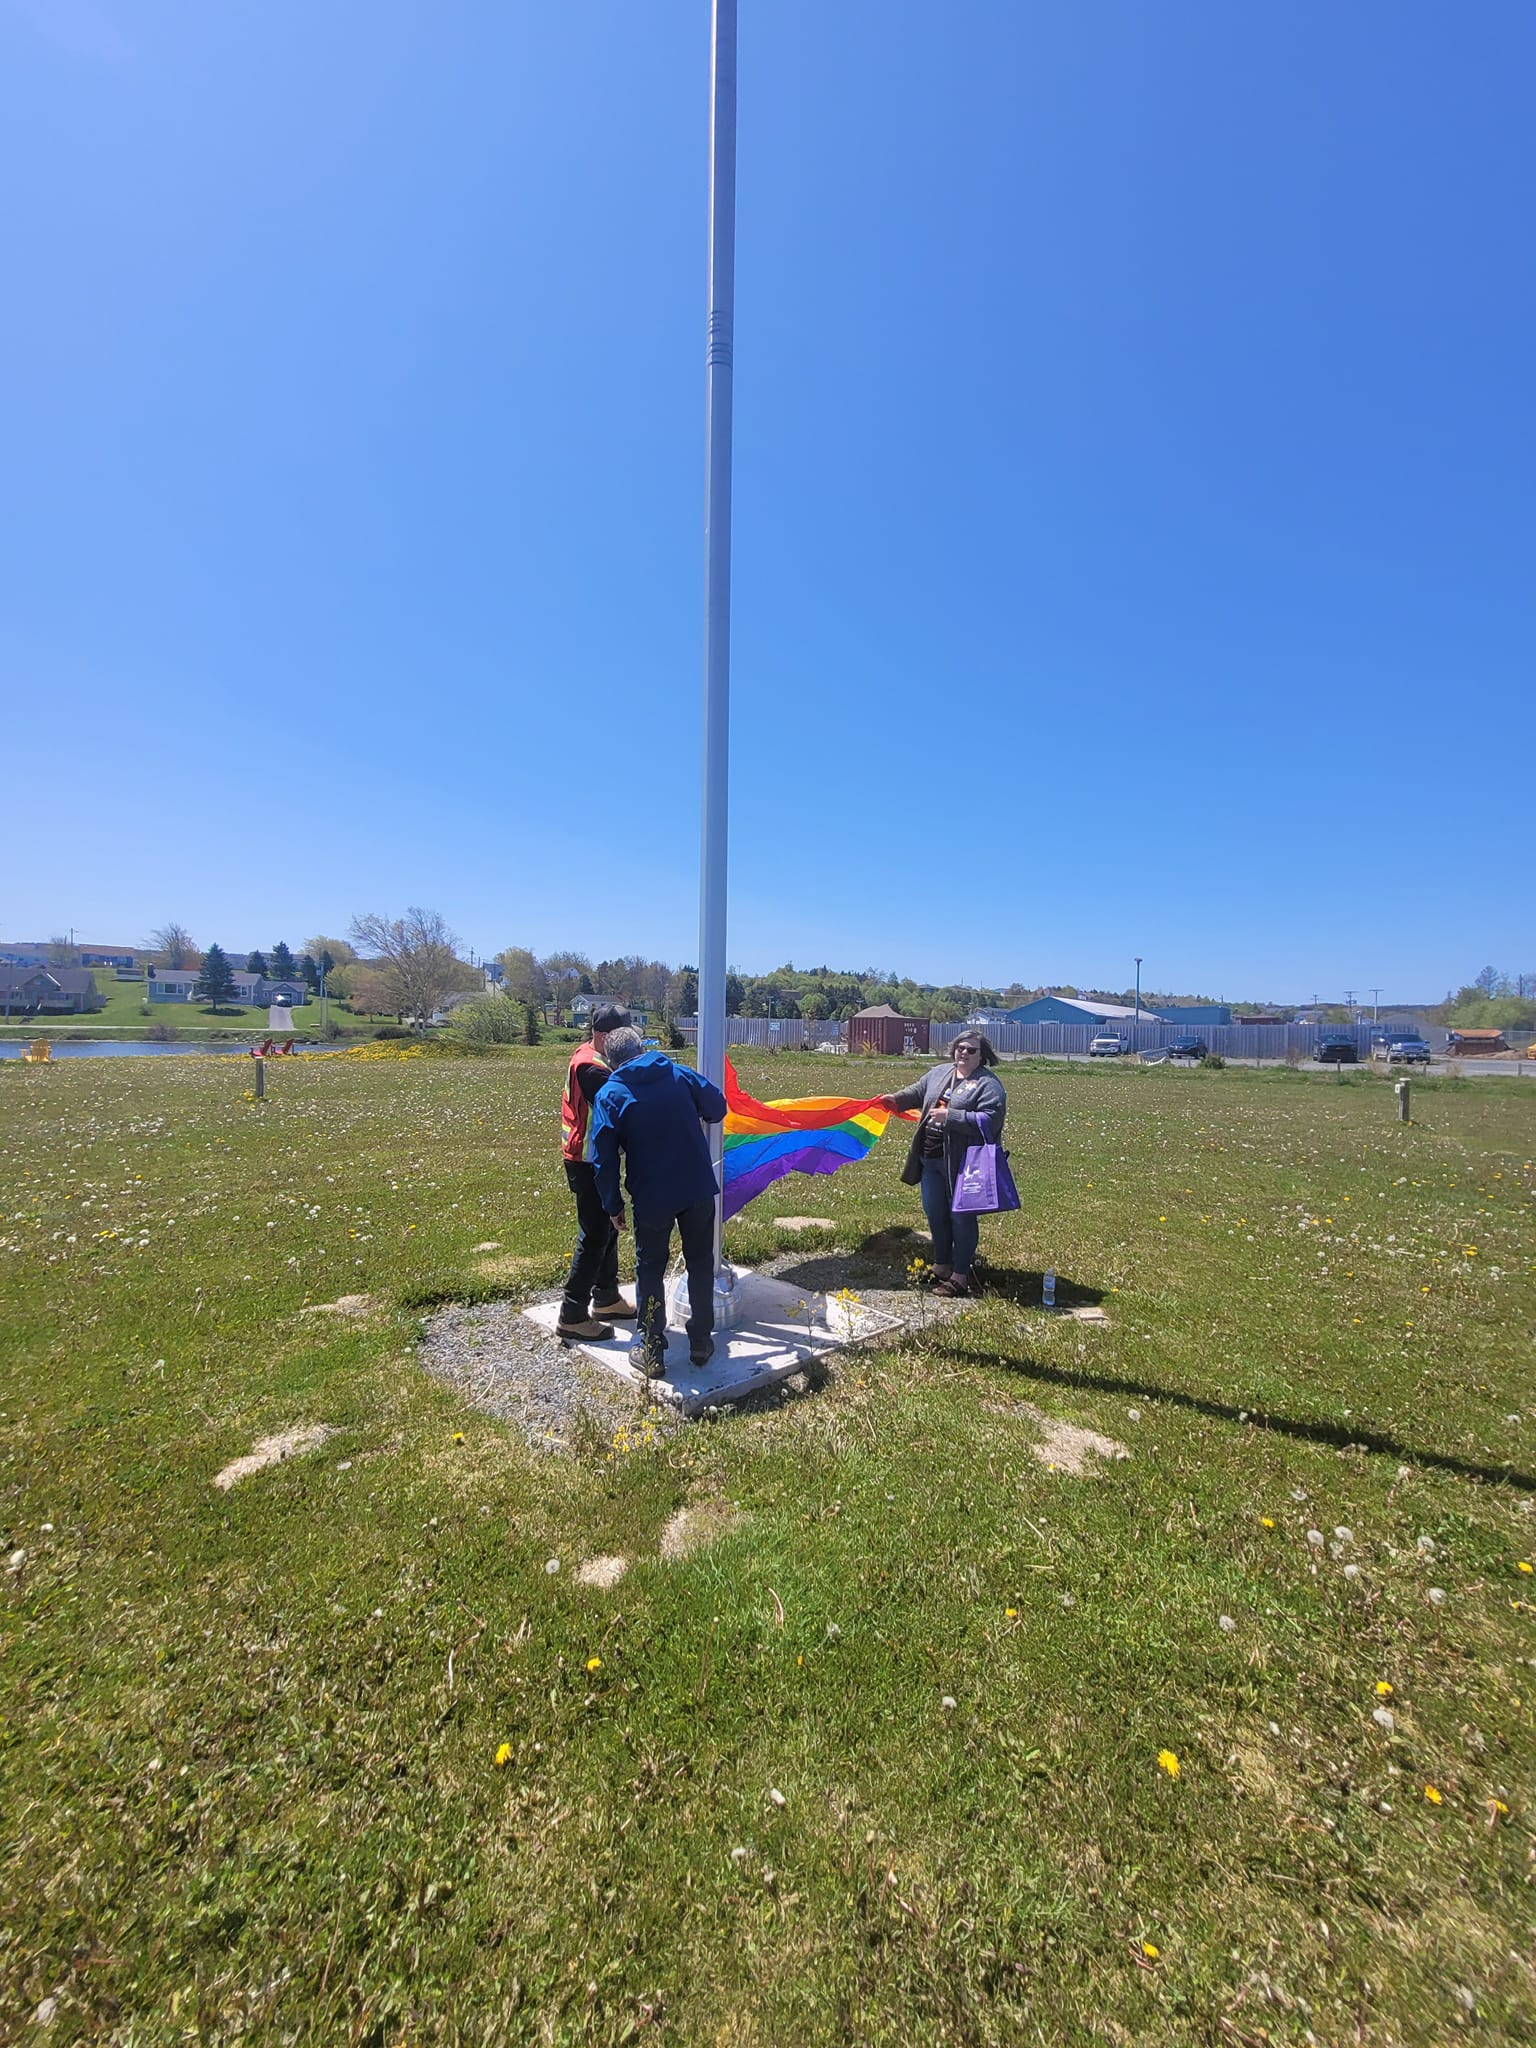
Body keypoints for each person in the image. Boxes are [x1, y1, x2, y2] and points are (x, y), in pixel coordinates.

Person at [590, 1028, 728, 1373]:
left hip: (652, 1196)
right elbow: (717, 1107)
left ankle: (651, 1350)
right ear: (642, 1048)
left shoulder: (610, 1094)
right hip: (696, 1187)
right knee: (700, 1262)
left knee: (650, 1268)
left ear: (611, 1061)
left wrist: (612, 1205)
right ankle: (701, 1340)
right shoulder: (679, 1074)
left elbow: (603, 1158)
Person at [879, 1030, 1007, 1296]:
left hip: (964, 1164)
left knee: (961, 1217)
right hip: (930, 1158)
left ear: (982, 1055)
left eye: (971, 1050)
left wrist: (952, 1117)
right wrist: (896, 1099)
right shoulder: (939, 1073)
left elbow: (991, 1119)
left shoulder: (988, 1084)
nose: (964, 1053)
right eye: (960, 1047)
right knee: (935, 1213)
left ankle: (960, 1275)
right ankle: (941, 1265)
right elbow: (917, 1092)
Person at [556, 1003, 637, 1341]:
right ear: (603, 1035)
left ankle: (605, 1297)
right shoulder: (592, 1069)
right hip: (586, 1160)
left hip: (593, 1157)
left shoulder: (593, 1055)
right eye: (622, 1036)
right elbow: (621, 1105)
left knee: (607, 1230)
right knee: (593, 1237)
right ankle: (572, 1314)